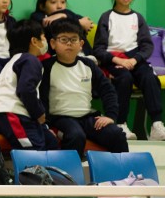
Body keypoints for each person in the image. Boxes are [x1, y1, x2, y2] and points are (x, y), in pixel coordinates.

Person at [92, 0, 165, 141]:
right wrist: (117, 60)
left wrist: (134, 59)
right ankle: (120, 123)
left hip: (134, 58)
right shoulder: (107, 17)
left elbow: (147, 46)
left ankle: (157, 125)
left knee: (150, 77)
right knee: (124, 78)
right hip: (113, 58)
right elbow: (98, 49)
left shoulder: (137, 18)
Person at [41, 20, 128, 155]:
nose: (69, 43)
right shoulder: (46, 67)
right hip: (60, 119)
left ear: (81, 44)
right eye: (63, 39)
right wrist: (45, 124)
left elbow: (108, 90)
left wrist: (111, 116)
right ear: (53, 43)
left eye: (73, 39)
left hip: (87, 117)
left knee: (116, 134)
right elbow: (41, 98)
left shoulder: (88, 65)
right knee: (76, 135)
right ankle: (69, 169)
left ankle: (121, 169)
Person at [0, 20, 58, 151]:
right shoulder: (31, 60)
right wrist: (39, 113)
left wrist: (43, 127)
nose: (45, 40)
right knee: (35, 151)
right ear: (34, 41)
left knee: (50, 141)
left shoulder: (15, 60)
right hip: (12, 113)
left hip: (5, 115)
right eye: (43, 37)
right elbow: (26, 90)